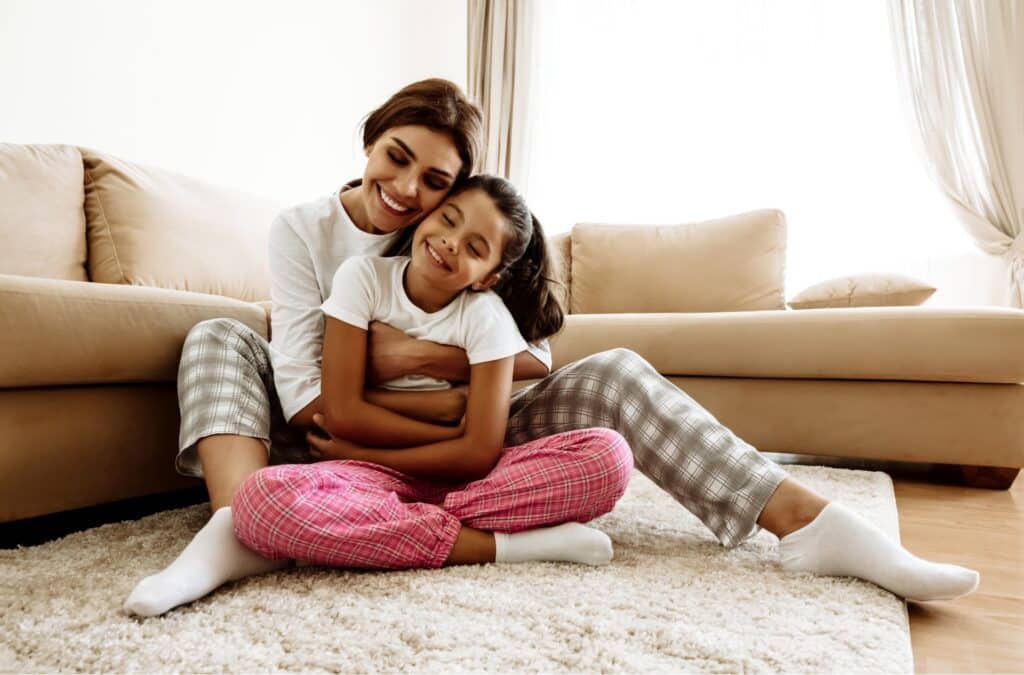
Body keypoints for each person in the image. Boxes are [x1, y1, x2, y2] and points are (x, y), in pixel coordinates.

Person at [124, 78, 979, 618]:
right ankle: (246, 527)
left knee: (616, 376)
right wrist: (407, 384)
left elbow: (530, 363)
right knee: (217, 335)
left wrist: (427, 370)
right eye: (398, 159)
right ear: (372, 136)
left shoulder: (447, 240)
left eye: (437, 184)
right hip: (334, 440)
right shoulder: (304, 233)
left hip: (446, 436)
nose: (408, 192)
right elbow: (315, 399)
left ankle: (813, 524)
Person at [227, 173, 632, 579]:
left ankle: (385, 526)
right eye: (449, 219)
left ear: (486, 278)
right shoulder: (362, 278)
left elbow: (479, 456)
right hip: (374, 478)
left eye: (475, 247)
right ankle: (504, 545)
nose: (452, 242)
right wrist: (452, 434)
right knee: (259, 500)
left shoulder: (485, 315)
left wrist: (366, 452)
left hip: (460, 479)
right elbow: (343, 412)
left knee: (609, 456)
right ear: (427, 216)